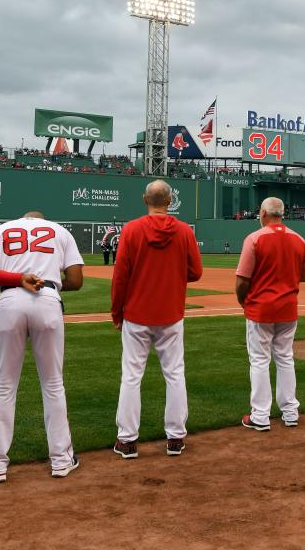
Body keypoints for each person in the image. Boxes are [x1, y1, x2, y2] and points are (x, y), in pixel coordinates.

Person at [0, 211, 84, 481]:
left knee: (4, 386)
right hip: (47, 299)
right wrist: (50, 285)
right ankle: (61, 460)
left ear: (23, 219)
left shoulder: (2, 229)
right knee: (53, 384)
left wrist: (18, 278)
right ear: (41, 219)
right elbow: (76, 280)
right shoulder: (59, 229)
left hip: (10, 300)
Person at [111, 180, 202, 458]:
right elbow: (195, 272)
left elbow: (121, 276)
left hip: (137, 314)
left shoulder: (132, 229)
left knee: (131, 376)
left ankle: (127, 441)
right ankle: (175, 438)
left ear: (144, 199)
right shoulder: (184, 231)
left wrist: (117, 312)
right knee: (175, 374)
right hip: (171, 314)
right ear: (170, 199)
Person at [235, 198, 305, 431]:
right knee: (285, 358)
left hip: (261, 308)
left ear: (263, 213)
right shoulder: (299, 239)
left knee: (259, 360)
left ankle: (260, 415)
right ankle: (290, 412)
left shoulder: (255, 238)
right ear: (282, 214)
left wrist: (243, 301)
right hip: (288, 307)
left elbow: (242, 280)